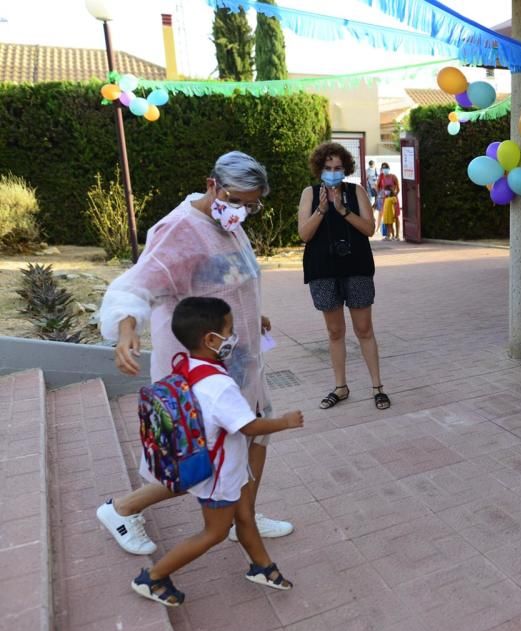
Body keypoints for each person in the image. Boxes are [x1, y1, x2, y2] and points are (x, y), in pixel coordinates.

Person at [96, 151, 293, 556]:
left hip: (241, 362)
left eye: (252, 203)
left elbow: (228, 280)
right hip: (201, 372)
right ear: (212, 185)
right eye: (237, 200)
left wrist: (253, 314)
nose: (244, 210)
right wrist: (126, 327)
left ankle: (245, 521)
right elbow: (135, 286)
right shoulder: (179, 229)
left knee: (255, 438)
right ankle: (121, 510)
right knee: (199, 457)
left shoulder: (227, 223)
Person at [131, 297, 303, 607]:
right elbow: (248, 427)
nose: (234, 336)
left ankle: (262, 568)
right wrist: (285, 422)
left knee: (245, 516)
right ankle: (153, 577)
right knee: (215, 532)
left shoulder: (188, 364)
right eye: (230, 330)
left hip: (223, 466)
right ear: (211, 339)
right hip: (219, 475)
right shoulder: (220, 385)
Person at [297, 142, 390, 412]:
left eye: (338, 168)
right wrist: (322, 210)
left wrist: (343, 210)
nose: (333, 173)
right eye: (328, 168)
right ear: (319, 169)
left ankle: (377, 387)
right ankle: (341, 387)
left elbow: (370, 229)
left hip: (357, 267)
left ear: (345, 168)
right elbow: (304, 234)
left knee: (364, 329)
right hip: (322, 270)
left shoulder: (356, 191)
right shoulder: (310, 194)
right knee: (335, 331)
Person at [376, 162, 401, 241]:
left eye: (386, 168)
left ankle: (397, 235)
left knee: (396, 216)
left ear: (389, 169)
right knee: (386, 217)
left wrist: (394, 195)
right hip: (385, 200)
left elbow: (398, 188)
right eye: (383, 168)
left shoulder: (393, 177)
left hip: (393, 200)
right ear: (381, 169)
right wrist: (381, 195)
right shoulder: (381, 177)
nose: (385, 170)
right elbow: (377, 187)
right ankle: (388, 235)